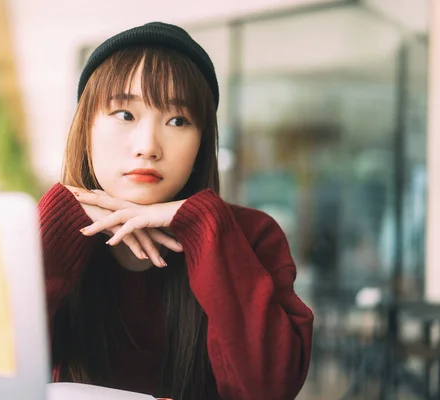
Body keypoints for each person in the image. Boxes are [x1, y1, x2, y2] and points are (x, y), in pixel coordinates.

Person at [38, 22, 314, 400]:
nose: (148, 146)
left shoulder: (252, 235)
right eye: (124, 114)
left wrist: (205, 228)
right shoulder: (41, 232)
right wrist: (56, 230)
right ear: (85, 127)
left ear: (202, 142)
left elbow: (270, 389)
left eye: (178, 120)